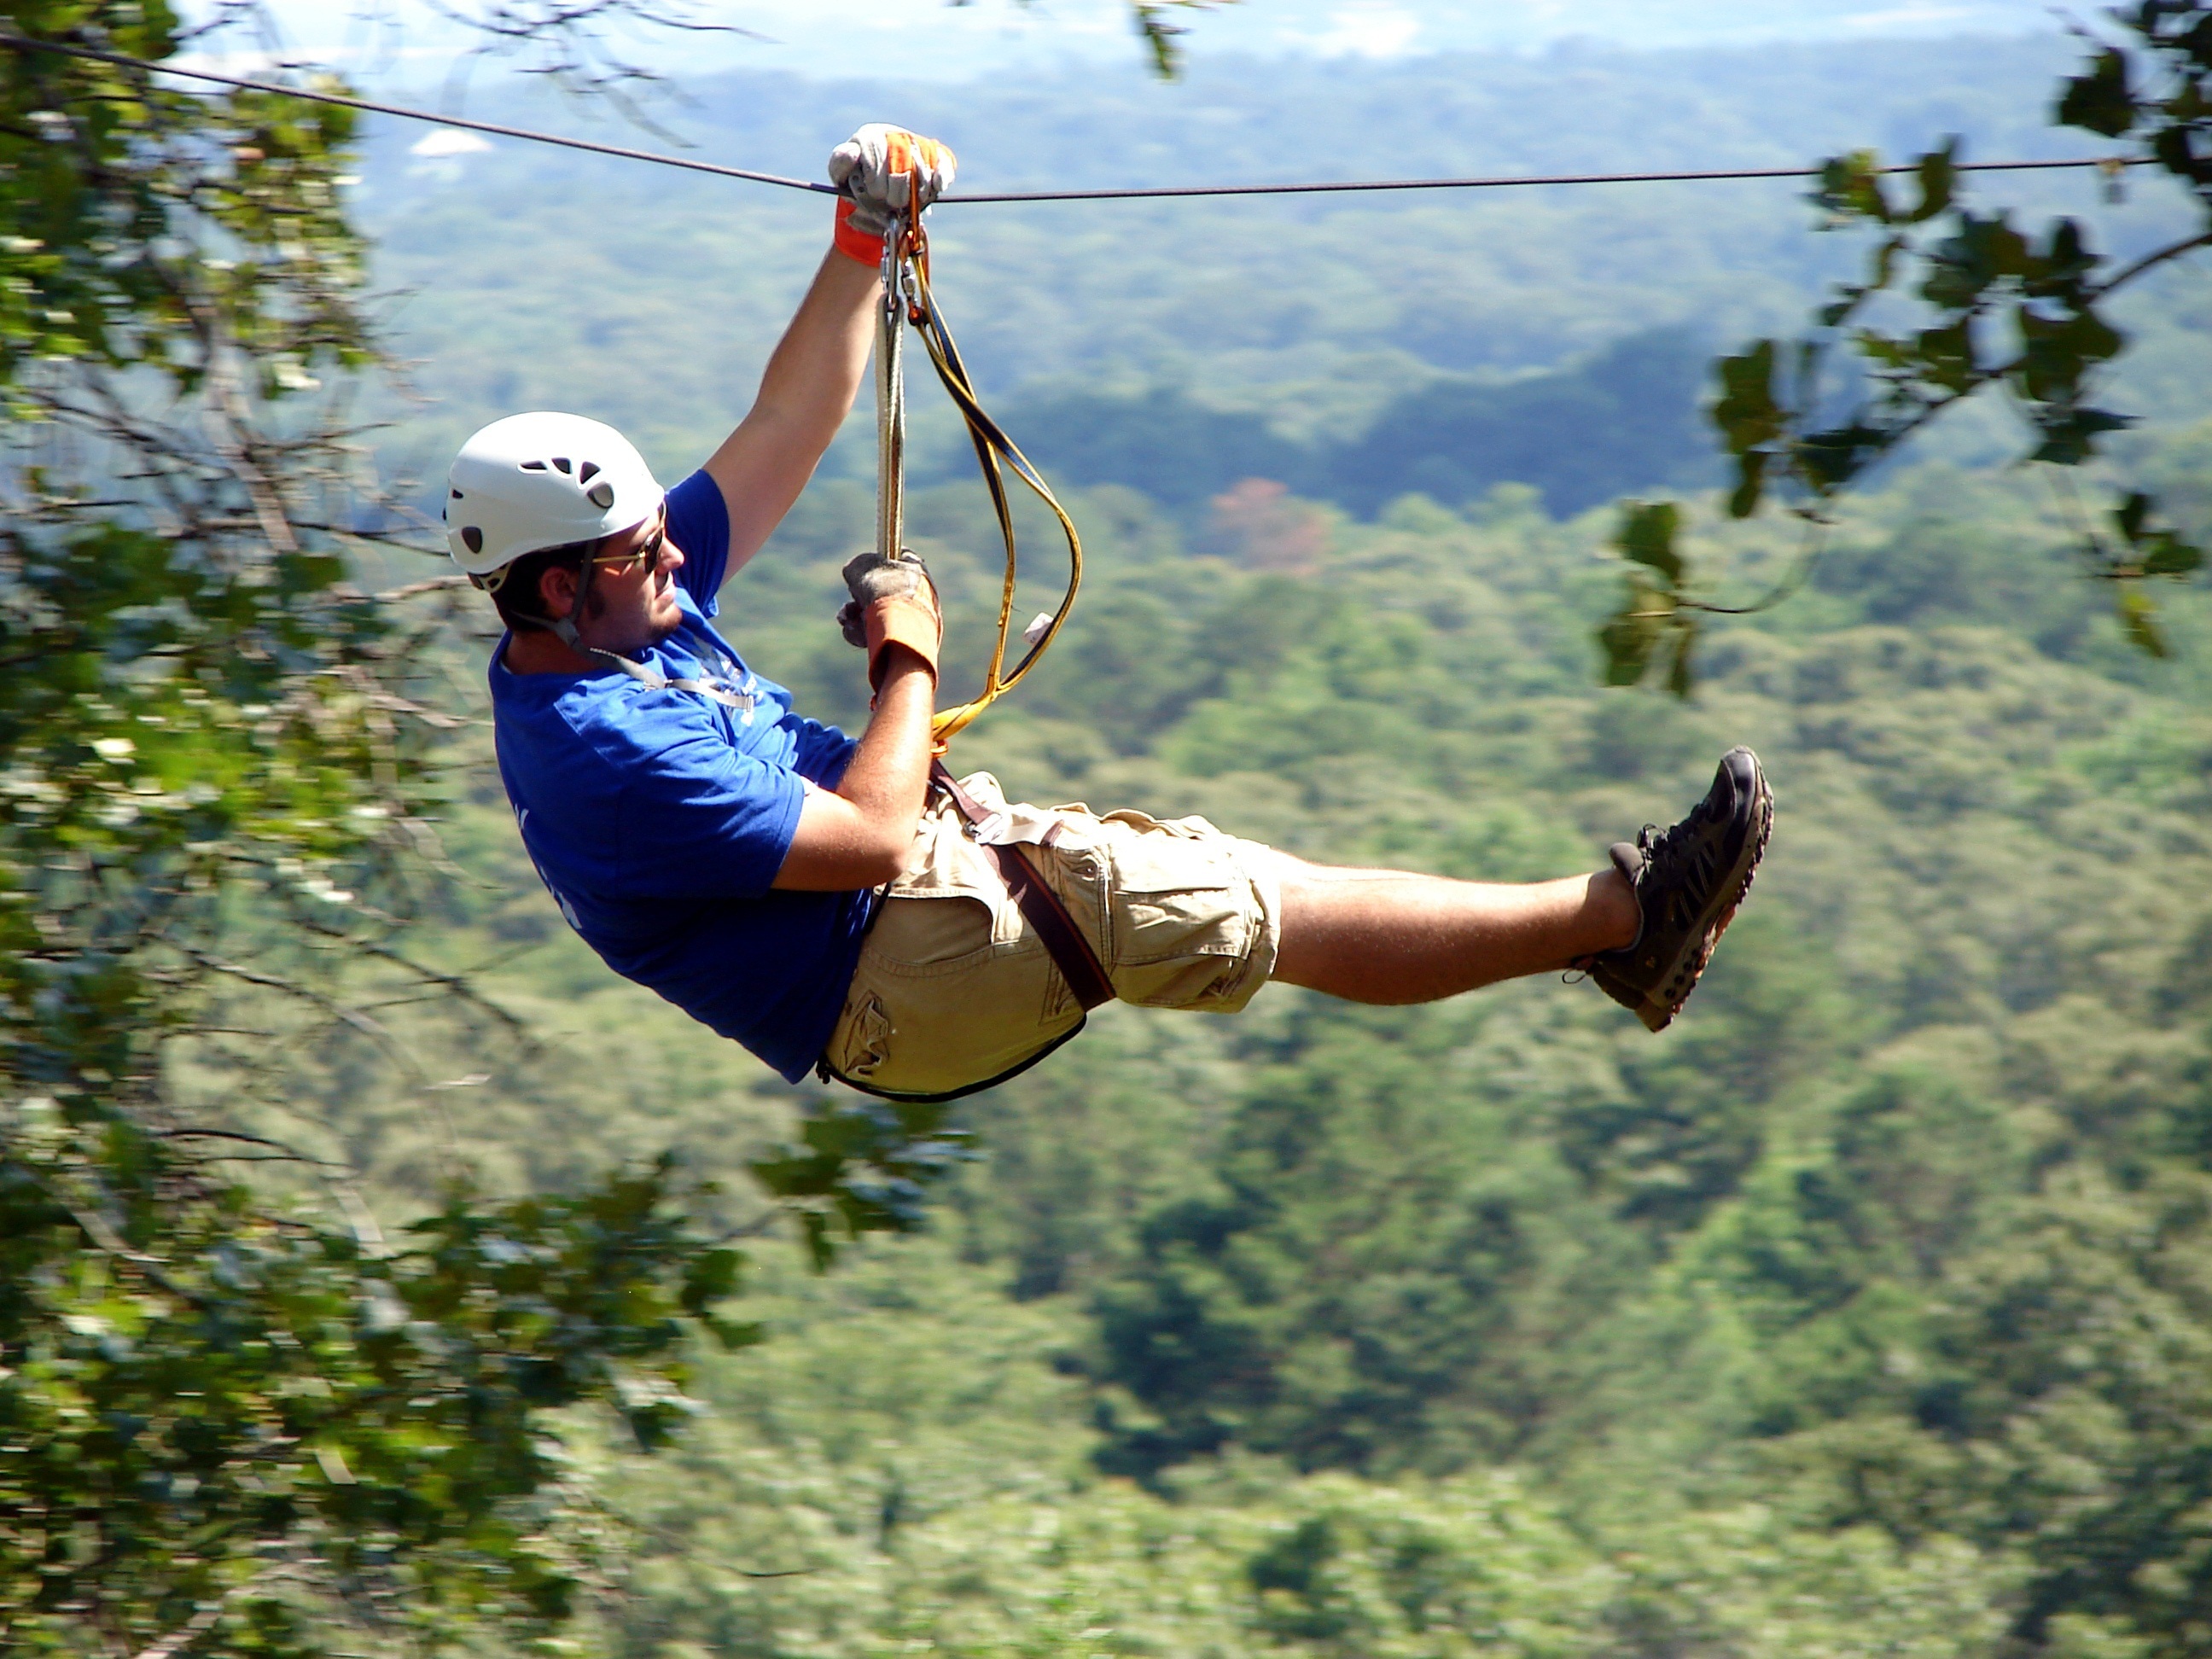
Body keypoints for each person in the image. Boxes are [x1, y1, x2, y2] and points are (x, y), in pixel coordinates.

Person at [445, 125, 1773, 1101]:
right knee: (1258, 906)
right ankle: (1625, 923)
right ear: (558, 585)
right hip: (891, 975)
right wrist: (909, 667)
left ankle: (1618, 925)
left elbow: (785, 425)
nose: (672, 549)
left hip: (907, 929)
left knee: (1268, 886)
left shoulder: (624, 617)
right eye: (637, 550)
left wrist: (860, 241)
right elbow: (858, 841)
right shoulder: (603, 751)